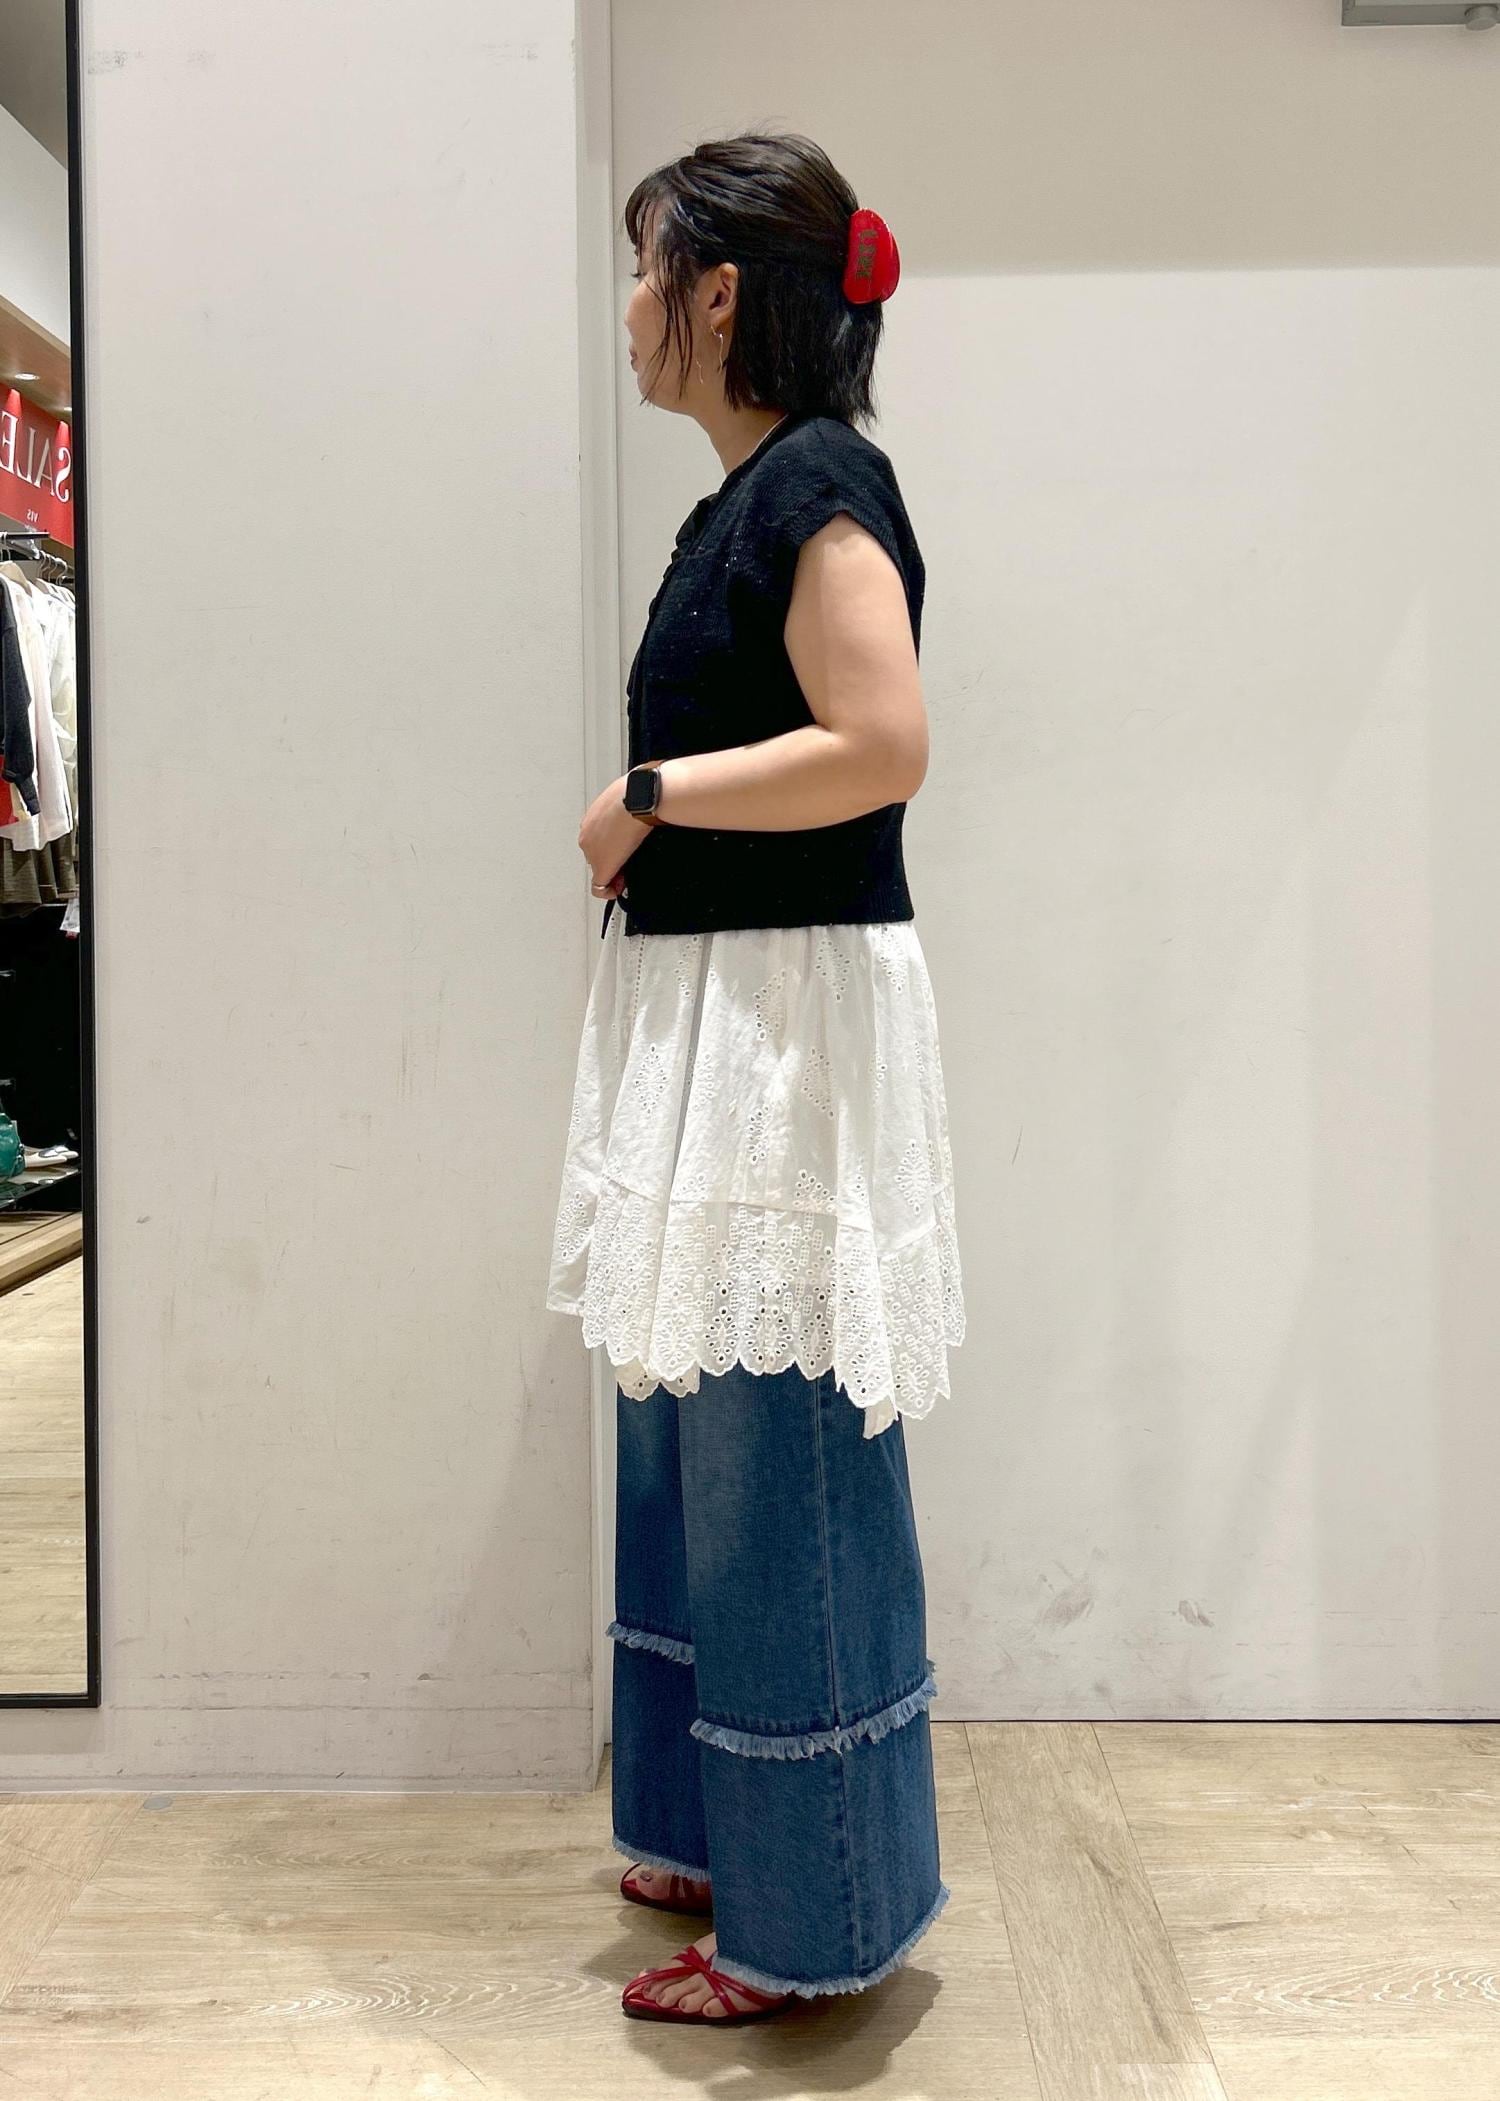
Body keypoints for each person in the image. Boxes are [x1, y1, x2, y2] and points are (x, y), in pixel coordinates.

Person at [546, 130, 966, 2026]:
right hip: (725, 1022)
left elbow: (883, 739)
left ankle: (817, 1913)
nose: (628, 308)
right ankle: (719, 1825)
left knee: (777, 1454)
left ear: (717, 295)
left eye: (645, 270)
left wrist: (649, 794)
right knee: (690, 1434)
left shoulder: (817, 487)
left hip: (781, 1036)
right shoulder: (751, 493)